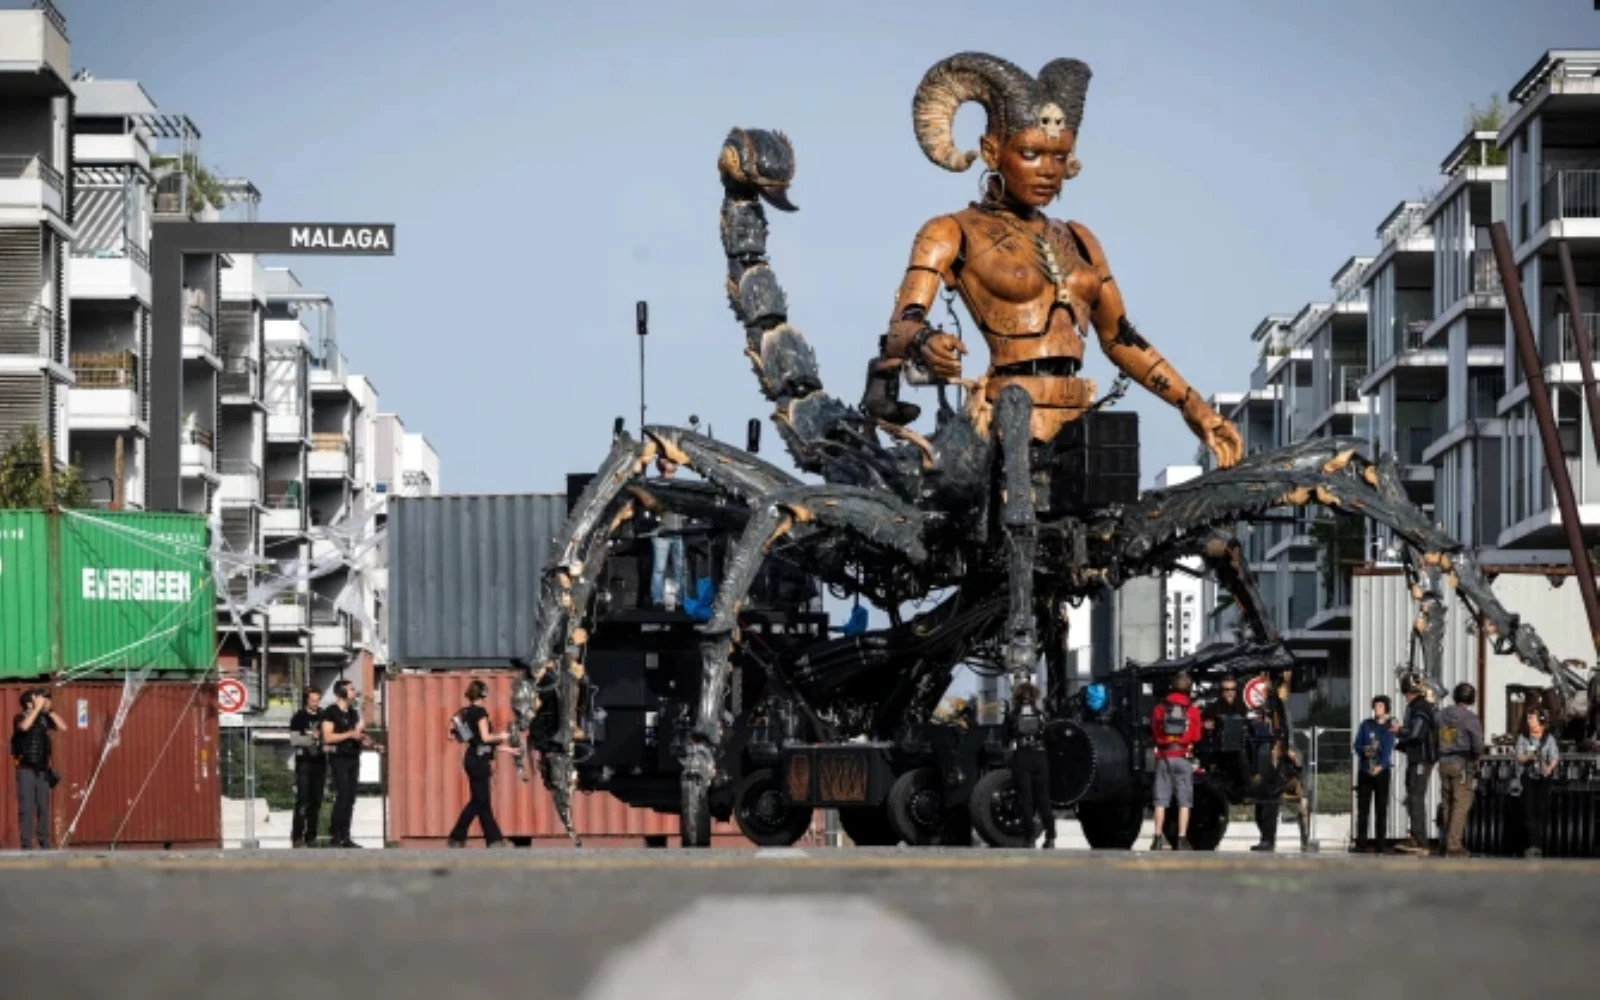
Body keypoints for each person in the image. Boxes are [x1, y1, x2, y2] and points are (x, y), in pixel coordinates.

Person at [447, 680, 516, 848]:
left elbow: (479, 742)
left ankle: (494, 841)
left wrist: (508, 750)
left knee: (483, 802)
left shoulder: (466, 712)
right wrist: (503, 736)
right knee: (479, 801)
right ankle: (456, 837)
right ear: (483, 694)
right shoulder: (480, 713)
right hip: (479, 762)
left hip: (472, 758)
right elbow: (486, 738)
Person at [1149, 671, 1202, 850]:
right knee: (1184, 801)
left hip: (1163, 757)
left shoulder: (1159, 708)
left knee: (1160, 800)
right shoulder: (1193, 710)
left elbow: (1155, 733)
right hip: (1182, 757)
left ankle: (1157, 838)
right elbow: (1196, 736)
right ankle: (1181, 838)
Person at [1391, 673, 1438, 855]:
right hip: (1416, 758)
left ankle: (1421, 841)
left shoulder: (1420, 707)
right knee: (1412, 796)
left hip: (1421, 759)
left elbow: (1417, 733)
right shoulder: (1419, 706)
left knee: (1416, 798)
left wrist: (1399, 731)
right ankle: (1416, 836)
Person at [12, 688, 65, 850]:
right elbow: (24, 727)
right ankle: (27, 844)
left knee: (43, 807)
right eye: (37, 698)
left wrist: (50, 710)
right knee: (27, 807)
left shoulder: (44, 718)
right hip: (26, 769)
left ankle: (44, 842)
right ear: (29, 703)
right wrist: (36, 709)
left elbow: (63, 727)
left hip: (43, 770)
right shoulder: (19, 717)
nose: (42, 700)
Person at [1435, 681, 1484, 857]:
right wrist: (1477, 755)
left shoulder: (1441, 715)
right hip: (1462, 763)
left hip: (1443, 762)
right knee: (1461, 804)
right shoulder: (1470, 718)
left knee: (1447, 803)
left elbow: (1435, 735)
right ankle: (1454, 845)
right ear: (1472, 699)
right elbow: (1477, 743)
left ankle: (1445, 841)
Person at [320, 680, 369, 849]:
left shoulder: (353, 713)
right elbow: (328, 737)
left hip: (353, 757)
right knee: (342, 795)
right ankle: (335, 835)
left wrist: (371, 743)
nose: (354, 691)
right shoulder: (330, 713)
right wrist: (349, 734)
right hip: (339, 757)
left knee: (350, 798)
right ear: (341, 692)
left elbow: (358, 734)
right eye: (351, 689)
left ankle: (346, 836)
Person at [1006, 679, 1053, 848]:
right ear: (1034, 697)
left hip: (1023, 756)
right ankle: (1051, 837)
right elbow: (1048, 734)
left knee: (1026, 799)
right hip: (1040, 756)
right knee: (1043, 799)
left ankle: (1030, 838)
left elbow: (1008, 735)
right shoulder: (1040, 715)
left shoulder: (1014, 715)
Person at [1352, 695, 1397, 853]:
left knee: (1381, 808)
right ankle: (1361, 843)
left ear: (1386, 708)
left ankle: (1380, 844)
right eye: (1376, 706)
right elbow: (1357, 744)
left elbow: (1388, 748)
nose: (1377, 708)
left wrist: (1381, 766)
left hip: (1382, 772)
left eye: (1380, 706)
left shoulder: (1390, 726)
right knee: (1363, 809)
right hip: (1365, 770)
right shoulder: (1366, 725)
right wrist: (1364, 751)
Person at [1514, 707, 1559, 858]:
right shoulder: (1523, 737)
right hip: (1527, 777)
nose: (1529, 721)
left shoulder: (1549, 738)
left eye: (1532, 718)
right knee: (1528, 809)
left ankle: (1539, 843)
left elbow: (1554, 756)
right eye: (1527, 718)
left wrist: (1549, 767)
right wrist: (1528, 757)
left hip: (1543, 778)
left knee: (1541, 809)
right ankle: (1532, 845)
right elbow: (1519, 757)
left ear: (1540, 720)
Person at [288, 686, 326, 848]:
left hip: (320, 762)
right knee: (303, 801)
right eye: (312, 701)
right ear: (306, 701)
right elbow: (294, 740)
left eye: (318, 700)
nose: (316, 704)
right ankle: (297, 836)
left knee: (316, 801)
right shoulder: (299, 717)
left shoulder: (324, 715)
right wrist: (312, 738)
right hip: (304, 763)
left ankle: (312, 835)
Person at [649, 456, 688, 609]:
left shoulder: (681, 485)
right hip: (661, 533)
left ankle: (680, 600)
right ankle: (657, 599)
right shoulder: (656, 484)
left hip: (679, 531)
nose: (675, 463)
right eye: (670, 461)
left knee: (681, 569)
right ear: (663, 464)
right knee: (659, 568)